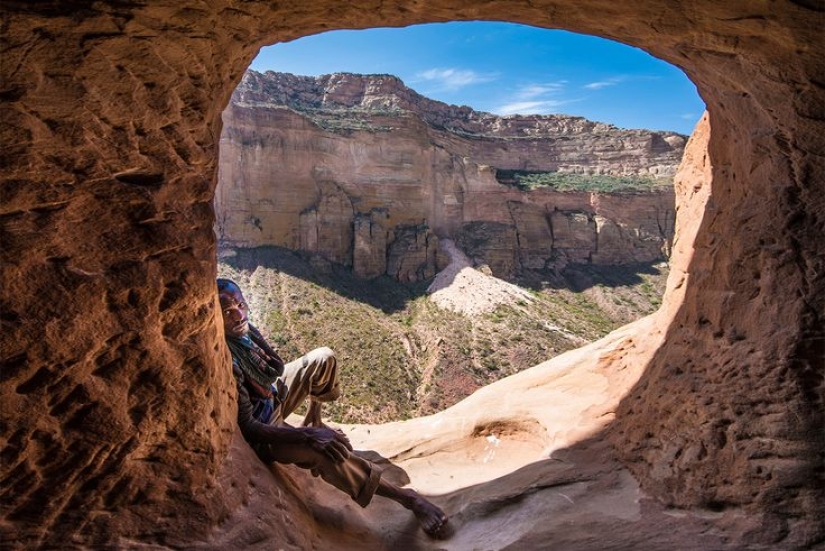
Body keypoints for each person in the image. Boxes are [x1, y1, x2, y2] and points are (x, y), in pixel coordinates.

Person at [217, 278, 449, 538]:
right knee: (329, 453)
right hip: (266, 431)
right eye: (227, 312)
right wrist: (307, 437)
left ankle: (314, 418)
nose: (238, 314)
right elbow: (249, 427)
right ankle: (408, 499)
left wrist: (312, 428)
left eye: (240, 304)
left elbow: (272, 370)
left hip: (274, 397)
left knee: (323, 357)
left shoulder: (245, 333)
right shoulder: (229, 360)